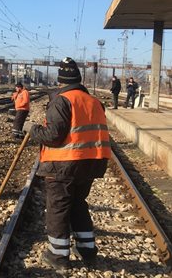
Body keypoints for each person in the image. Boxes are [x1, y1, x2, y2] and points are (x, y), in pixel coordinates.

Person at [23, 57, 111, 270]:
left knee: (58, 208)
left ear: (60, 80)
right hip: (91, 163)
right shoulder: (93, 101)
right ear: (78, 79)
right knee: (78, 204)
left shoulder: (62, 100)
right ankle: (88, 252)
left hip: (64, 164)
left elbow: (54, 136)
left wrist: (31, 129)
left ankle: (58, 256)